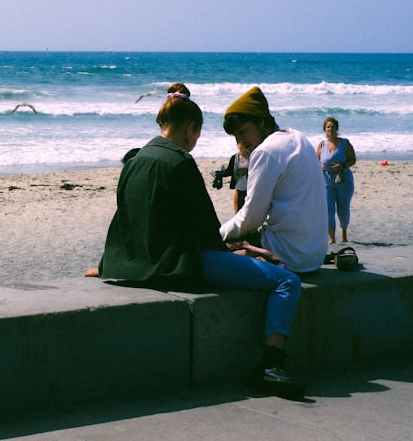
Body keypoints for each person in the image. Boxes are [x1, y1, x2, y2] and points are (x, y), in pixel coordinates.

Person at [88, 83, 305, 395]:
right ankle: (271, 365)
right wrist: (240, 253)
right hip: (180, 265)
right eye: (197, 136)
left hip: (133, 265)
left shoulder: (134, 160)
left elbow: (124, 221)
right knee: (287, 282)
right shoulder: (180, 163)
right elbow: (206, 231)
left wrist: (107, 263)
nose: (194, 144)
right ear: (190, 128)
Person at [219, 86, 327, 274]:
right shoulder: (298, 137)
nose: (240, 141)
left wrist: (216, 234)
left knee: (216, 252)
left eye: (243, 132)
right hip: (314, 254)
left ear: (261, 121)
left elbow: (252, 217)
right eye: (236, 136)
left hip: (289, 255)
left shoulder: (266, 151)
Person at [316, 117, 356, 244]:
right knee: (328, 210)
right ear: (324, 129)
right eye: (328, 127)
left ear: (337, 129)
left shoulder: (345, 143)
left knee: (343, 209)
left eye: (333, 127)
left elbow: (353, 159)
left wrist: (343, 166)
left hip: (343, 180)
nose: (330, 129)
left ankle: (344, 233)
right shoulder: (322, 145)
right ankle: (331, 237)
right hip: (326, 181)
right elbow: (315, 162)